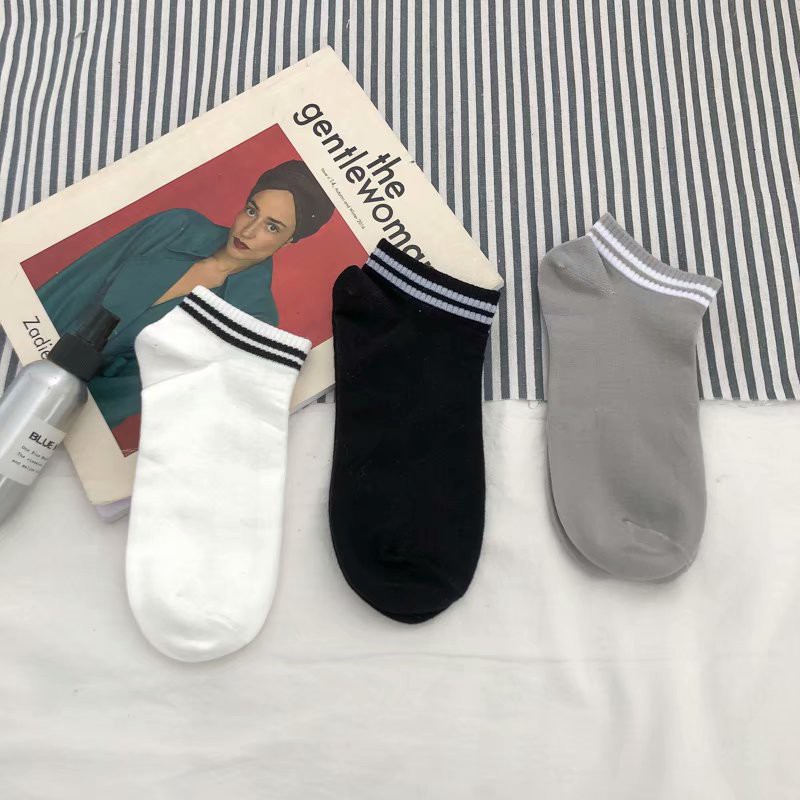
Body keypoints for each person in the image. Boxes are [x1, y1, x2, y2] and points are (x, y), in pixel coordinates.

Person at [37, 160, 334, 430]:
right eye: (252, 211)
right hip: (33, 345)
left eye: (272, 227)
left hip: (65, 412)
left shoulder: (254, 320)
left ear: (290, 241)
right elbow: (79, 279)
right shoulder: (175, 226)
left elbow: (138, 390)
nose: (249, 231)